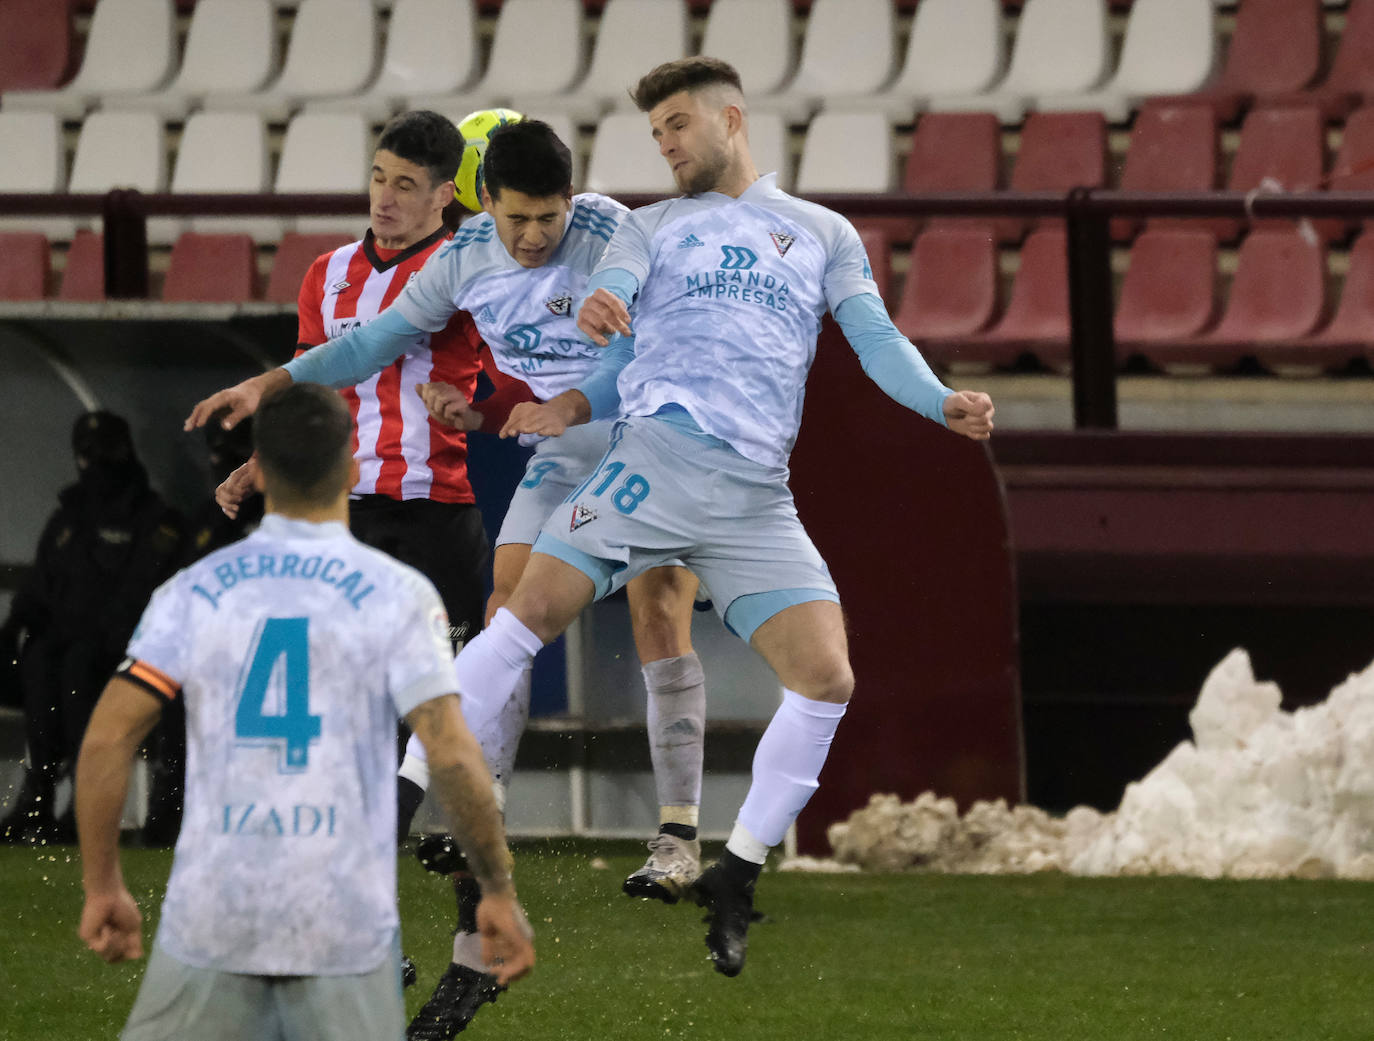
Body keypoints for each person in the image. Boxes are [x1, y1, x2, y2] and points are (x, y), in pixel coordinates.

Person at [434, 56, 997, 978]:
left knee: (827, 676)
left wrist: (940, 402)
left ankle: (732, 870)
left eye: (677, 127)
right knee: (521, 615)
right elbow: (607, 296)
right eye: (654, 133)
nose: (665, 146)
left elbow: (875, 338)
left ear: (731, 120)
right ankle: (419, 785)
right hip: (652, 458)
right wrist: (602, 318)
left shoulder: (819, 231)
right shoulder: (647, 225)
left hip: (753, 493)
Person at [187, 119, 713, 1038]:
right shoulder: (356, 274)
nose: (387, 195)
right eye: (377, 176)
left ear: (447, 192)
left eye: (409, 182)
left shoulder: (599, 235)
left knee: (596, 640)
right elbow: (343, 375)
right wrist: (265, 420)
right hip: (354, 516)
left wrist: (501, 406)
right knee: (356, 714)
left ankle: (666, 834)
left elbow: (591, 349)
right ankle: (418, 917)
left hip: (517, 484)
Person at [75, 382, 534, 1041]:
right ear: (352, 468)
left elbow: (108, 738)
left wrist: (102, 886)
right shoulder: (399, 596)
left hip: (214, 916)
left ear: (257, 469)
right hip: (344, 926)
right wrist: (494, 889)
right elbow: (454, 753)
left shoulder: (194, 590)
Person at [0, 411, 182, 844]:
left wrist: (99, 637)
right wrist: (14, 627)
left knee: (77, 662)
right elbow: (37, 591)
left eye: (107, 450)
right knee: (41, 655)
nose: (96, 462)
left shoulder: (155, 520)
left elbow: (143, 597)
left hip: (119, 655)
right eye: (88, 452)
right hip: (63, 652)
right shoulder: (69, 519)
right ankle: (40, 793)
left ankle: (87, 800)